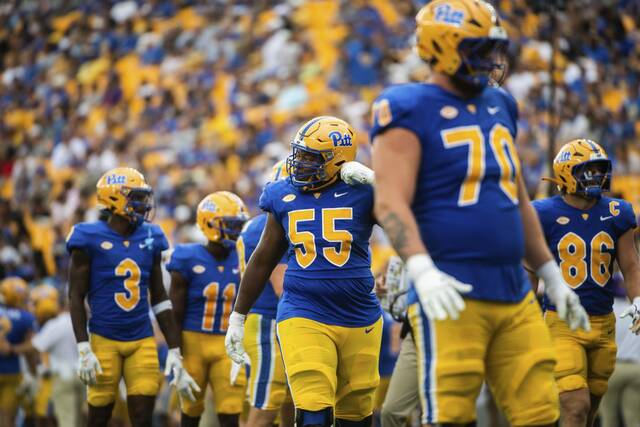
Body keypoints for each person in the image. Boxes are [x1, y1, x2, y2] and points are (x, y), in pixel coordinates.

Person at [369, 1, 590, 425]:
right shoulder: (406, 105)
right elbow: (390, 200)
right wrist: (422, 269)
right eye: (479, 48)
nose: (491, 59)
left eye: (493, 48)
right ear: (443, 47)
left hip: (512, 288)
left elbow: (515, 197)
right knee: (451, 414)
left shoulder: (501, 104)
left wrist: (549, 273)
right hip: (450, 286)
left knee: (542, 411)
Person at [225, 116, 380, 427]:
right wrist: (238, 316)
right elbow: (263, 258)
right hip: (303, 310)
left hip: (359, 313)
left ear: (338, 160)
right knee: (313, 411)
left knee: (356, 415)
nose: (300, 163)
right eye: (300, 153)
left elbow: (415, 216)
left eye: (312, 157)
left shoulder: (364, 192)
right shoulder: (282, 193)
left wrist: (380, 182)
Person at [67, 167, 198, 427]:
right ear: (114, 199)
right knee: (99, 415)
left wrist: (174, 349)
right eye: (136, 197)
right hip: (104, 338)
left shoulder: (151, 235)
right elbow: (75, 295)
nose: (144, 203)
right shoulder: (88, 237)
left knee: (142, 416)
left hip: (142, 338)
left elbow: (159, 297)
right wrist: (83, 347)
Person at [531, 139, 640, 427]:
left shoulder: (618, 212)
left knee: (589, 412)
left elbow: (631, 265)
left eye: (600, 169)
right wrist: (524, 316)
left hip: (604, 324)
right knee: (575, 406)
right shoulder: (543, 213)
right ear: (567, 172)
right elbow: (528, 268)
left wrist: (638, 300)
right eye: (588, 170)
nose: (597, 176)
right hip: (562, 323)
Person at [167, 191, 249, 427]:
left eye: (239, 226)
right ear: (210, 224)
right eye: (232, 226)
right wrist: (176, 353)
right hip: (193, 343)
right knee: (190, 411)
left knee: (230, 411)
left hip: (228, 345)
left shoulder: (243, 256)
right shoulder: (186, 257)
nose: (238, 232)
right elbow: (176, 313)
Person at [236, 160, 294, 427]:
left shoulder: (257, 224)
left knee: (290, 402)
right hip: (269, 320)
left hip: (267, 318)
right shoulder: (272, 225)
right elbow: (282, 287)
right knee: (268, 404)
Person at [12, 284, 86, 427]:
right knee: (81, 421)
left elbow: (34, 347)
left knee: (67, 420)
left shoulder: (55, 324)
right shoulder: (80, 321)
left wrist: (12, 348)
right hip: (83, 375)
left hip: (64, 377)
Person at [0, 277, 36, 426]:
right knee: (7, 419)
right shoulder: (26, 318)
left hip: (10, 371)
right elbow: (33, 346)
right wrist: (14, 349)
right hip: (11, 372)